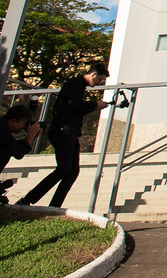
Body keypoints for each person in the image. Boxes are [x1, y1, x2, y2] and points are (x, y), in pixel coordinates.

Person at [18, 62, 110, 208]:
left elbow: (75, 109)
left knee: (72, 172)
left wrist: (95, 106)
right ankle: (27, 199)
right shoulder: (75, 83)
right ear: (94, 75)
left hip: (70, 132)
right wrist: (94, 104)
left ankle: (54, 206)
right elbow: (74, 104)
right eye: (100, 80)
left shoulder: (79, 86)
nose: (99, 83)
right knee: (64, 169)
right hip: (63, 130)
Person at [0, 105, 42, 173]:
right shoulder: (3, 130)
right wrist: (30, 137)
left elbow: (13, 147)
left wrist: (29, 137)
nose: (24, 127)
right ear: (13, 121)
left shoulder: (2, 125)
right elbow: (18, 153)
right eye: (24, 124)